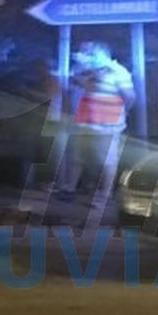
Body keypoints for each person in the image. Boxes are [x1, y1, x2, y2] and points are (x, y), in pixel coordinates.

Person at [54, 41, 135, 204]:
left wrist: (120, 113)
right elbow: (76, 86)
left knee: (107, 161)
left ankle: (104, 195)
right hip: (84, 121)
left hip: (107, 124)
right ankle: (70, 189)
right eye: (84, 51)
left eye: (89, 52)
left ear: (102, 53)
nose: (84, 55)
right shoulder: (83, 69)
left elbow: (130, 97)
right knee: (77, 157)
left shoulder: (119, 71)